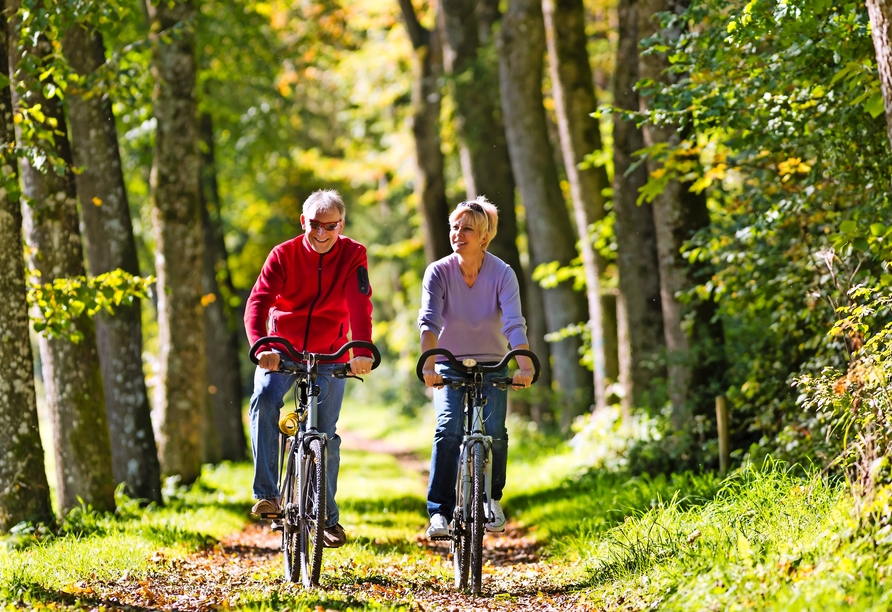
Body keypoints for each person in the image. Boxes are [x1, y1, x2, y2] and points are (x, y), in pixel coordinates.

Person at [244, 189, 374, 548]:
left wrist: (361, 349)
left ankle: (327, 518)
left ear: (341, 224)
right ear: (304, 222)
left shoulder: (353, 254)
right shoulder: (283, 255)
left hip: (331, 351)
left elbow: (359, 303)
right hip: (280, 348)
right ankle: (268, 494)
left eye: (330, 226)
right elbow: (258, 303)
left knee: (326, 436)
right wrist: (262, 345)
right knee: (266, 398)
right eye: (315, 224)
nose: (321, 233)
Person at [417, 196, 535, 538]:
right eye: (455, 227)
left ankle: (492, 498)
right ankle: (439, 512)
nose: (458, 233)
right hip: (450, 365)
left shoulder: (503, 273)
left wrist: (523, 364)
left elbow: (514, 323)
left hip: (494, 363)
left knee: (495, 432)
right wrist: (429, 362)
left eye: (467, 228)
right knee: (448, 428)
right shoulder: (438, 271)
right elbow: (429, 322)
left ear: (484, 237)